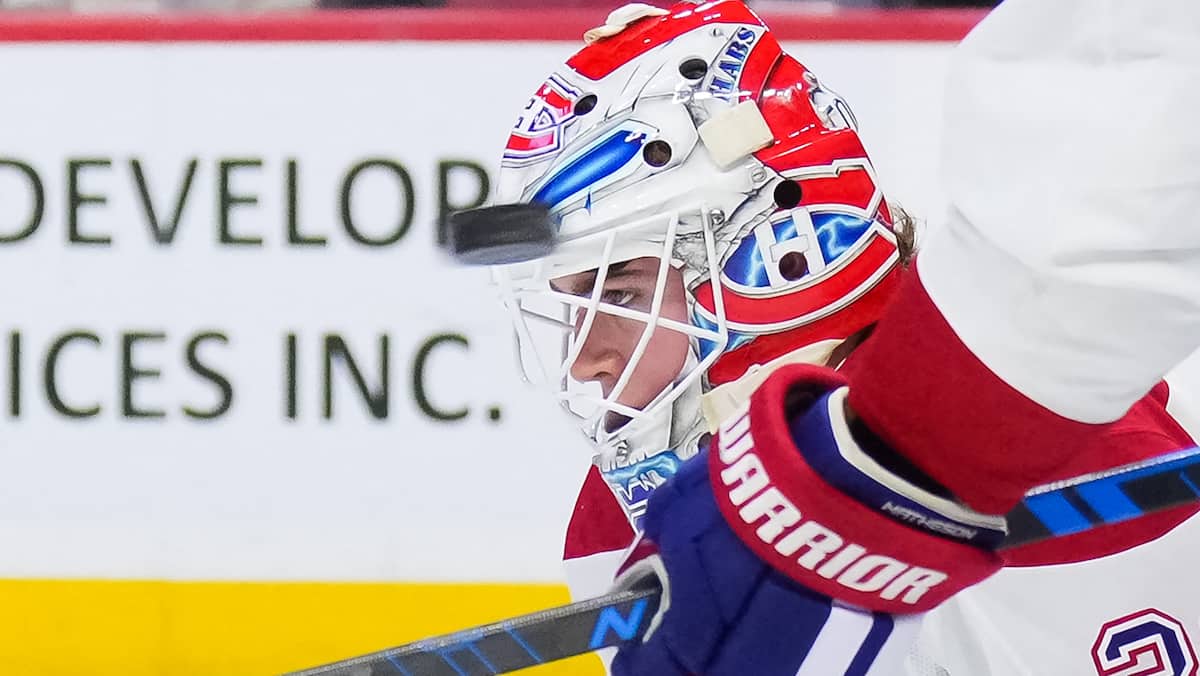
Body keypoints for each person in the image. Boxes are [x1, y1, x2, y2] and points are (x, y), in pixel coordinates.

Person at [447, 0, 1200, 673]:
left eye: (619, 291)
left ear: (777, 261)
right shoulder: (623, 525)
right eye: (573, 306)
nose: (587, 362)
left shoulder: (1090, 475)